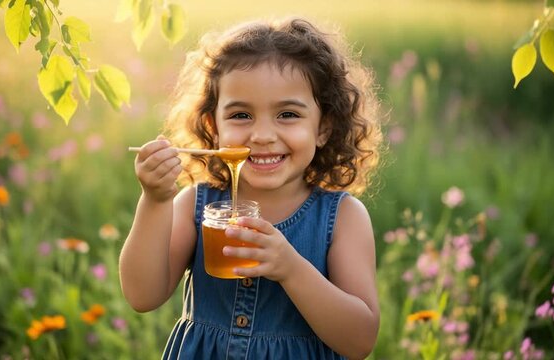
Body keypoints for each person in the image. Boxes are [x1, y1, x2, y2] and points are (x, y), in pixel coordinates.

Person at [119, 16, 383, 360]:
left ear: (323, 128)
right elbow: (142, 295)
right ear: (213, 128)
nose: (261, 135)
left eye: (287, 114)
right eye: (241, 115)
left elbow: (360, 341)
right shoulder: (195, 205)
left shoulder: (343, 217)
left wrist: (290, 268)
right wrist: (154, 201)